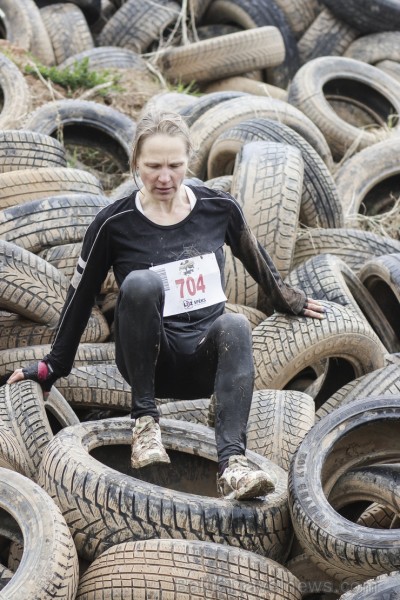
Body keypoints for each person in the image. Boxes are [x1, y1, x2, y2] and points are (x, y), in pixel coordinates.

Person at [7, 108, 325, 500]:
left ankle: (233, 466)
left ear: (188, 161)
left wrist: (290, 301)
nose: (164, 177)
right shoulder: (114, 223)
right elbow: (80, 294)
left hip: (201, 361)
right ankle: (145, 422)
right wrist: (51, 365)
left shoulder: (217, 208)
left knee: (236, 325)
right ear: (135, 165)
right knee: (141, 283)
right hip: (147, 362)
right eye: (153, 166)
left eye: (175, 165)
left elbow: (257, 260)